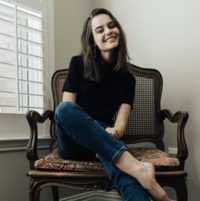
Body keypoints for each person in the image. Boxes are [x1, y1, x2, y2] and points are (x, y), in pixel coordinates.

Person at [54, 8, 170, 201]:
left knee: (124, 172)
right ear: (93, 41)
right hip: (74, 144)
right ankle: (140, 170)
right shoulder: (77, 64)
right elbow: (68, 111)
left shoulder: (127, 80)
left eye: (111, 25)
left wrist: (114, 132)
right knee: (63, 109)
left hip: (107, 141)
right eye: (99, 30)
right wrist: (101, 132)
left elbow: (121, 123)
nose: (108, 31)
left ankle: (137, 173)